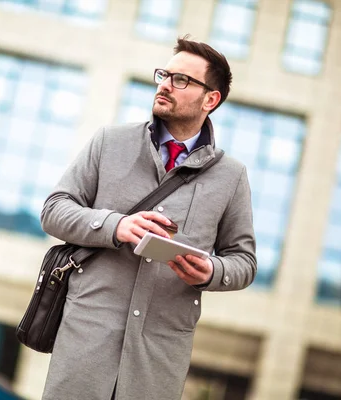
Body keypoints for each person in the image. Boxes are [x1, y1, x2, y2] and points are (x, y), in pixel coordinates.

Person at [40, 35, 257, 400]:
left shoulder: (231, 176)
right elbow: (54, 209)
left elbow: (244, 261)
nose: (164, 86)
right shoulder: (109, 141)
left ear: (211, 99)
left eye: (181, 80)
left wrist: (213, 273)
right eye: (164, 75)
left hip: (158, 357)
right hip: (85, 340)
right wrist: (116, 225)